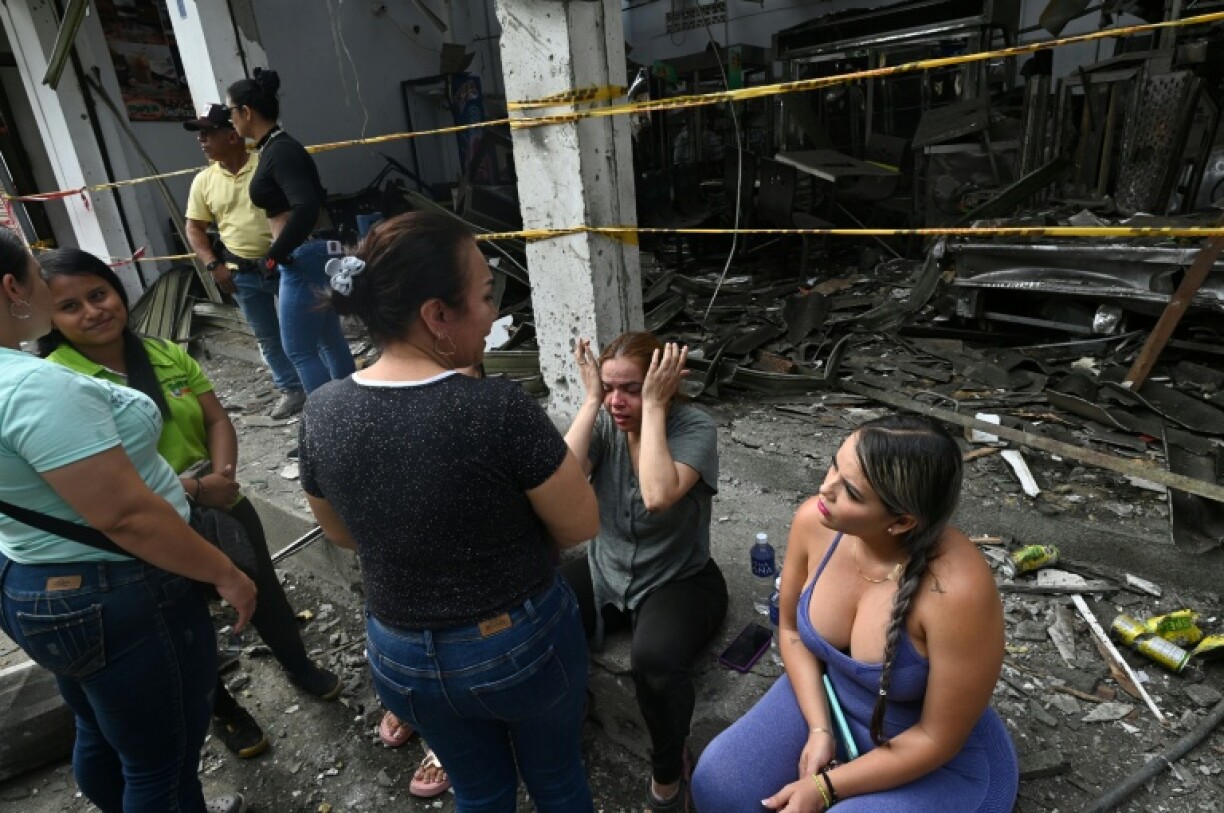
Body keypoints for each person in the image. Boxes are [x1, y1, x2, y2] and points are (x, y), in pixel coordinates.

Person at [298, 211, 600, 812]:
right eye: (485, 296)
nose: (492, 314)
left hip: (399, 656)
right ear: (437, 315)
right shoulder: (498, 409)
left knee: (480, 793)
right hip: (516, 647)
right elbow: (581, 524)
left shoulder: (321, 410)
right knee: (557, 781)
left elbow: (342, 534)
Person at [36, 247, 343, 761]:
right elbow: (105, 484)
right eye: (70, 307)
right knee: (185, 620)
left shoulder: (165, 353)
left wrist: (221, 478)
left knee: (261, 588)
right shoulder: (58, 383)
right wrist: (196, 491)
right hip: (151, 524)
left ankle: (300, 667)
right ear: (49, 318)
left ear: (117, 290)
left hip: (221, 501)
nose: (93, 311)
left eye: (98, 294)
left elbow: (218, 419)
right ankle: (225, 711)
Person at [0, 229, 255, 812]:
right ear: (13, 288)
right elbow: (127, 516)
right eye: (43, 283)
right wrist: (225, 574)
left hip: (32, 573)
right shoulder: (35, 387)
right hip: (113, 587)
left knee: (99, 727)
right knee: (162, 769)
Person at [691, 415, 1019, 813]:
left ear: (901, 522)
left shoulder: (957, 592)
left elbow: (937, 738)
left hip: (933, 756)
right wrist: (818, 728)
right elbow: (791, 629)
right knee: (718, 784)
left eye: (850, 491)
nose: (824, 488)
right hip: (830, 701)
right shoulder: (815, 521)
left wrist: (826, 787)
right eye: (834, 464)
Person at [561, 332, 728, 812]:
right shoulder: (605, 417)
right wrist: (591, 399)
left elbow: (657, 495)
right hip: (606, 567)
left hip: (679, 578)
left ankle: (670, 765)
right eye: (609, 387)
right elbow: (564, 482)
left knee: (652, 660)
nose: (618, 401)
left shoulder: (694, 427)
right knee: (540, 607)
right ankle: (572, 706)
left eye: (631, 388)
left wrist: (653, 410)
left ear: (665, 384)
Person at [225, 68, 355, 394]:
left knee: (298, 349)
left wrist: (275, 254)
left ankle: (325, 431)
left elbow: (306, 206)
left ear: (246, 111)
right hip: (313, 252)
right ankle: (351, 417)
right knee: (328, 340)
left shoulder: (281, 151)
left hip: (303, 255)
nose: (230, 121)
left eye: (230, 112)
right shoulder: (276, 148)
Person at [183, 102, 305, 420]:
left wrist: (284, 250)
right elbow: (194, 228)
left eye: (209, 133)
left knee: (305, 327)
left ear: (232, 135)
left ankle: (322, 386)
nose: (202, 141)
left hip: (284, 263)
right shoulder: (204, 181)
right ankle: (291, 389)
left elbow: (297, 208)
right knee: (266, 334)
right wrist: (213, 264)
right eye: (201, 135)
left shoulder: (267, 164)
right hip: (242, 272)